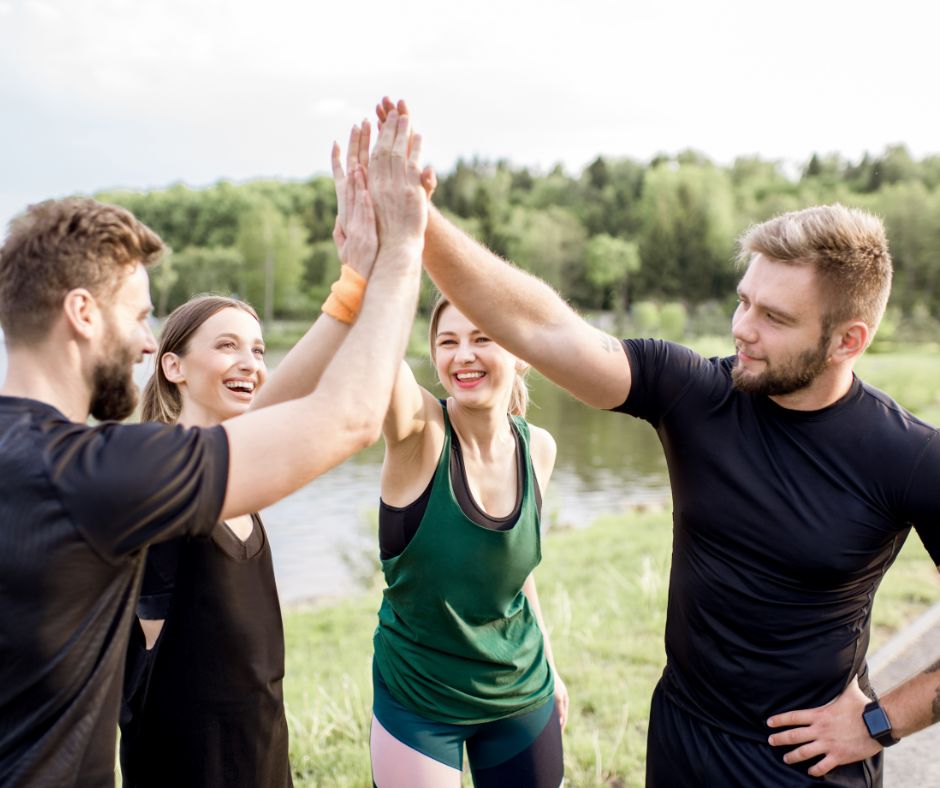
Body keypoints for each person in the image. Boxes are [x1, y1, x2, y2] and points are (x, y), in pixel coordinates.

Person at [376, 98, 939, 787]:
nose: (742, 327)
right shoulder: (694, 393)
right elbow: (545, 329)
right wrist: (419, 222)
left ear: (848, 340)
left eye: (774, 316)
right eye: (743, 300)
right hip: (678, 745)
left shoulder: (909, 456)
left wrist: (880, 720)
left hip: (804, 766)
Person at [0, 106, 428, 787]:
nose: (147, 343)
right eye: (139, 317)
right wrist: (401, 255)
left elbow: (264, 416)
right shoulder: (95, 474)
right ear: (82, 314)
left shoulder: (53, 463)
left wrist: (352, 286)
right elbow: (346, 419)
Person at [118, 122, 384, 788]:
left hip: (261, 747)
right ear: (174, 366)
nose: (251, 363)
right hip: (187, 759)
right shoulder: (161, 470)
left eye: (258, 349)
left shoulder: (233, 465)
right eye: (228, 346)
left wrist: (357, 276)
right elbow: (148, 643)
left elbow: (291, 387)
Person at [369, 294, 567, 788]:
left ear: (520, 352)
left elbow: (514, 575)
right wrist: (380, 270)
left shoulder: (538, 448)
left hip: (520, 687)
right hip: (419, 697)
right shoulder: (419, 433)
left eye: (482, 339)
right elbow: (378, 353)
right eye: (448, 342)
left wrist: (551, 664)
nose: (463, 356)